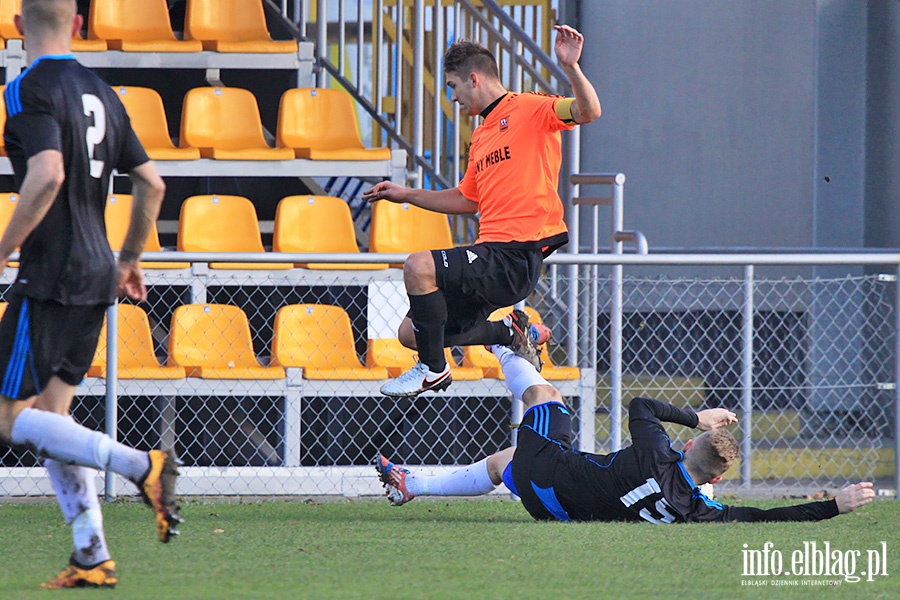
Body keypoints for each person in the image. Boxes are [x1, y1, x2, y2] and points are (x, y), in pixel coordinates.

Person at [0, 0, 180, 588]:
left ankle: (140, 465)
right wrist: (127, 260)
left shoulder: (26, 87)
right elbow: (152, 184)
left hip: (50, 272)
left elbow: (46, 173)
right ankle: (91, 553)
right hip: (97, 268)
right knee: (53, 418)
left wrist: (1, 250)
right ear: (79, 26)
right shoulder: (104, 90)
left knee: (7, 418)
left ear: (19, 25)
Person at [362, 25, 601, 398]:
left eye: (453, 86)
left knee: (418, 266)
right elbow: (465, 199)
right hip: (491, 254)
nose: (452, 97)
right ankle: (509, 333)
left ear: (473, 79)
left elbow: (589, 111)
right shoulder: (482, 135)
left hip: (515, 253)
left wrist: (571, 66)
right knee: (411, 333)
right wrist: (406, 194)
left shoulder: (530, 107)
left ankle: (433, 370)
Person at [377, 346, 875, 522]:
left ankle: (506, 342)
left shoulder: (658, 449)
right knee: (503, 461)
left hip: (549, 470)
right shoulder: (696, 510)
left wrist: (698, 418)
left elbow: (641, 404)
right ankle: (412, 484)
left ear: (684, 446)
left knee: (545, 400)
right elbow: (766, 516)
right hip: (549, 509)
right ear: (716, 483)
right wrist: (834, 504)